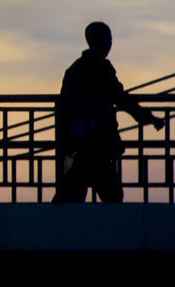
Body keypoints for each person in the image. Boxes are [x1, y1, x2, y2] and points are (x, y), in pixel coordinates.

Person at [53, 21, 164, 203]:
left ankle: (54, 225)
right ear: (99, 40)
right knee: (111, 196)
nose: (110, 44)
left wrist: (66, 141)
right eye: (109, 39)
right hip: (98, 143)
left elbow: (63, 109)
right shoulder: (102, 68)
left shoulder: (73, 70)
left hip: (78, 144)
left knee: (71, 195)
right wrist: (148, 118)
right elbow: (121, 98)